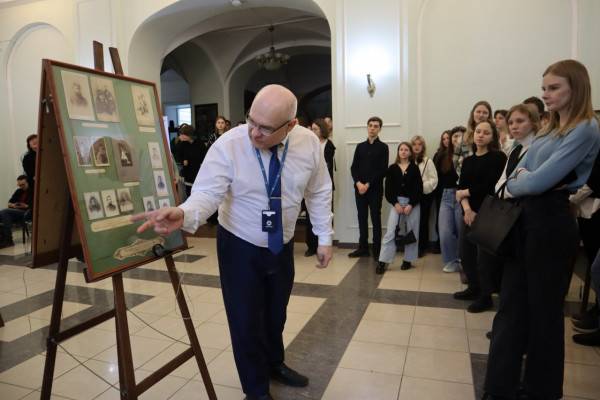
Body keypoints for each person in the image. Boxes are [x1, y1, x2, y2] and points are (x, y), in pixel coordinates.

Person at [132, 84, 333, 400]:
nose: (254, 132)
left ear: (291, 125)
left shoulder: (308, 143)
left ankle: (274, 363)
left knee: (275, 313)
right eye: (251, 121)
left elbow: (319, 190)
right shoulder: (229, 144)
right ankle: (256, 390)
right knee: (245, 320)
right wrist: (183, 213)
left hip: (282, 244)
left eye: (265, 129)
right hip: (240, 244)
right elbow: (207, 194)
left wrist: (324, 237)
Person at [484, 59, 600, 400]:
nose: (546, 94)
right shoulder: (552, 129)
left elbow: (537, 180)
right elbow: (526, 169)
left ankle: (541, 391)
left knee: (545, 316)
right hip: (525, 221)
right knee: (511, 308)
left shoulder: (586, 128)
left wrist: (525, 180)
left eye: (554, 88)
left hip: (551, 223)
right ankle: (498, 388)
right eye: (544, 88)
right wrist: (526, 179)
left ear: (575, 88)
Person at [453, 120, 507, 313]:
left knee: (484, 259)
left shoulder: (498, 158)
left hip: (488, 212)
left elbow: (491, 186)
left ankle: (486, 296)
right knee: (465, 253)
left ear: (492, 137)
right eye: (478, 131)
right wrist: (467, 209)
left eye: (486, 132)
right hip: (469, 212)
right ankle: (474, 288)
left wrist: (465, 192)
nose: (481, 135)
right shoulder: (467, 160)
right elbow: (460, 189)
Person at [377, 142, 423, 274]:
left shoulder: (414, 168)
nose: (403, 152)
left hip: (412, 203)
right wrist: (395, 203)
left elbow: (418, 189)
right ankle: (383, 261)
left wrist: (411, 204)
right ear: (398, 152)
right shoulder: (392, 168)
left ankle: (408, 260)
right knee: (391, 232)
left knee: (412, 231)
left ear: (410, 153)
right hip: (396, 203)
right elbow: (389, 190)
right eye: (401, 149)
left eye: (406, 150)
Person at [569, 151, 600, 338]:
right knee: (593, 261)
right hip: (585, 205)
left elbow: (595, 178)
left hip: (593, 204)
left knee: (597, 265)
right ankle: (596, 312)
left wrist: (572, 199)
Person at [349, 116, 389, 259]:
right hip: (359, 189)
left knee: (375, 218)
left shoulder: (384, 147)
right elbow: (354, 167)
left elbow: (383, 170)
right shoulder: (360, 147)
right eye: (370, 125)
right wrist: (358, 183)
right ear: (367, 127)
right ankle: (363, 248)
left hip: (375, 189)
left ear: (379, 129)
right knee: (361, 217)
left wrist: (368, 184)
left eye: (376, 126)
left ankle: (377, 250)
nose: (372, 128)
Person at [304, 118, 335, 257]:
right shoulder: (307, 145)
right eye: (312, 128)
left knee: (322, 214)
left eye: (316, 129)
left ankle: (321, 243)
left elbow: (325, 166)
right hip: (308, 185)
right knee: (309, 217)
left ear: (322, 130)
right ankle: (311, 246)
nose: (313, 131)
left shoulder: (328, 145)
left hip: (321, 183)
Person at [434, 129, 462, 273]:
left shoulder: (466, 153)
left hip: (461, 194)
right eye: (454, 136)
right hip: (446, 194)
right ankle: (451, 260)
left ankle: (461, 260)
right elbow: (437, 177)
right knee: (444, 231)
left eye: (459, 136)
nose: (456, 139)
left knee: (460, 230)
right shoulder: (442, 156)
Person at [410, 135, 438, 257]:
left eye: (419, 144)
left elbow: (434, 180)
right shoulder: (407, 160)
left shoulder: (428, 161)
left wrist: (422, 187)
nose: (416, 147)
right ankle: (410, 246)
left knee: (422, 221)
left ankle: (421, 247)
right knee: (411, 222)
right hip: (410, 196)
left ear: (423, 147)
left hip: (424, 196)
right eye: (414, 144)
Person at [455, 101, 492, 176]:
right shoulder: (463, 137)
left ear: (489, 116)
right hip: (466, 178)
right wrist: (463, 175)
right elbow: (455, 160)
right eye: (478, 112)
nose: (481, 115)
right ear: (473, 114)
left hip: (487, 177)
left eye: (485, 113)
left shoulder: (494, 135)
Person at [172, 124, 207, 197]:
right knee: (189, 193)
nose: (180, 136)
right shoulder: (182, 143)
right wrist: (183, 160)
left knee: (198, 193)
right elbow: (177, 156)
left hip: (198, 172)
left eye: (182, 135)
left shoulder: (200, 143)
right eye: (180, 134)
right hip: (188, 173)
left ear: (189, 135)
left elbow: (204, 157)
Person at [0, 175, 33, 248]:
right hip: (16, 211)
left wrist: (25, 206)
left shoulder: (32, 191)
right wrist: (13, 205)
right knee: (2, 214)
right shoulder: (18, 191)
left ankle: (9, 240)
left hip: (26, 212)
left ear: (27, 183)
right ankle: (2, 239)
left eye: (23, 185)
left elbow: (33, 206)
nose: (21, 187)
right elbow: (9, 203)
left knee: (4, 212)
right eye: (19, 185)